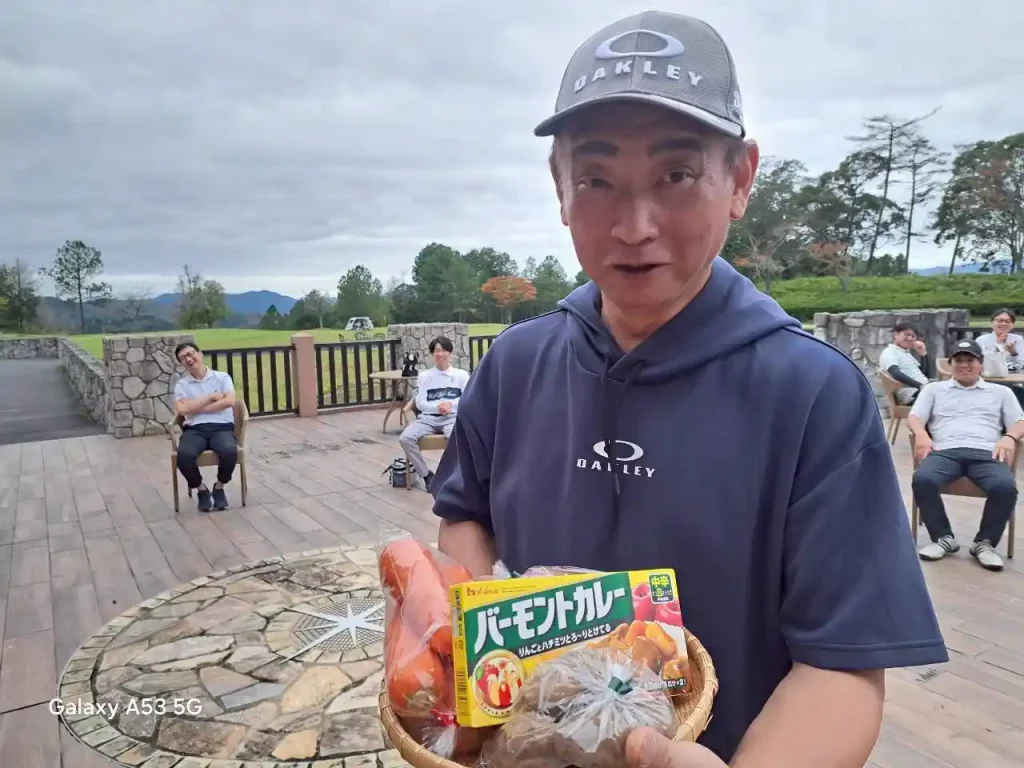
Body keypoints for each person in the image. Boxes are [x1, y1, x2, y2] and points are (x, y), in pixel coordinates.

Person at [429, 11, 947, 767]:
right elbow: (465, 515)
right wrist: (472, 653)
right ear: (559, 187)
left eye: (676, 175)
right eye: (596, 180)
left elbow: (843, 664)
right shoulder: (515, 364)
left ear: (740, 179)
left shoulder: (813, 393)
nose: (634, 226)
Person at [908, 338, 1023, 572]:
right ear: (950, 364)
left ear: (981, 363)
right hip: (944, 451)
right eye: (958, 360)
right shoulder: (934, 389)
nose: (964, 365)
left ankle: (984, 543)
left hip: (986, 453)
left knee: (1005, 487)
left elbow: (1019, 421)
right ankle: (943, 538)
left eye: (970, 360)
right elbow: (915, 416)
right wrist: (920, 433)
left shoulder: (1001, 392)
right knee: (923, 479)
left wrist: (1010, 437)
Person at [173, 342, 238, 512]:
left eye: (191, 354)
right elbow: (182, 410)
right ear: (181, 364)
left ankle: (219, 487)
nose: (188, 359)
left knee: (229, 451)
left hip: (222, 427)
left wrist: (195, 407)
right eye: (183, 358)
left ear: (200, 354)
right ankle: (201, 489)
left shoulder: (222, 377)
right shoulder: (182, 385)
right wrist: (210, 398)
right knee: (184, 456)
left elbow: (230, 401)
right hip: (195, 430)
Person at [399, 336, 469, 491]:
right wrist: (438, 407)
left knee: (457, 439)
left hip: (452, 418)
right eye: (437, 351)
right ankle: (426, 475)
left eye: (444, 351)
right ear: (432, 354)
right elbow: (420, 403)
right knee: (405, 438)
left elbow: (467, 398)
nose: (441, 354)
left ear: (450, 353)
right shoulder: (425, 377)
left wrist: (450, 404)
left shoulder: (461, 375)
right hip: (428, 419)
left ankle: (453, 476)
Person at [975, 307, 1024, 407]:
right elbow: (982, 361)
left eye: (1007, 321)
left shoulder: (1018, 339)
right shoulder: (981, 340)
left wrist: (1013, 352)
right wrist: (997, 344)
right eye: (1000, 320)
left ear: (1012, 325)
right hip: (988, 380)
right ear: (992, 323)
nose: (1003, 324)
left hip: (1013, 381)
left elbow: (1021, 364)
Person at [878, 322, 930, 404]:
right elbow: (896, 373)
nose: (910, 338)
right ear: (895, 335)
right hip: (910, 394)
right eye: (907, 334)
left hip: (922, 390)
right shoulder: (889, 352)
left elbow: (925, 375)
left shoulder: (906, 353)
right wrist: (921, 386)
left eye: (913, 336)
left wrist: (923, 354)